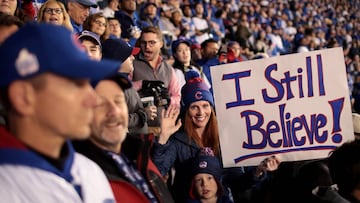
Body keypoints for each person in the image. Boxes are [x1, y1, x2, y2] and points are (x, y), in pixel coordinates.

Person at [0, 23, 119, 202]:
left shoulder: (90, 170)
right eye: (76, 84)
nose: (94, 99)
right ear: (23, 97)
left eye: (89, 83)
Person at [152, 71, 280, 203]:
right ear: (186, 111)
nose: (201, 112)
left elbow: (237, 183)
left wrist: (258, 171)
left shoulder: (225, 138)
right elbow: (156, 173)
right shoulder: (177, 140)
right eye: (194, 107)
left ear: (212, 108)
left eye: (205, 106)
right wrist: (162, 139)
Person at [73, 72, 176, 203]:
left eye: (118, 101)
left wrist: (162, 138)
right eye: (100, 104)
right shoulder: (80, 178)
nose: (114, 111)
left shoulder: (136, 152)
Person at [102, 38, 158, 135]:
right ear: (118, 60)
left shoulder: (122, 81)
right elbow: (114, 121)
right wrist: (144, 115)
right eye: (129, 56)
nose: (133, 58)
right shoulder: (113, 86)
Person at [132, 26, 181, 133]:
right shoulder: (132, 64)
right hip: (140, 129)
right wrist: (141, 84)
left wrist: (169, 100)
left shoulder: (168, 68)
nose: (147, 47)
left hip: (164, 129)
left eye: (152, 43)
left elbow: (177, 96)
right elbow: (124, 90)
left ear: (161, 44)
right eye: (143, 43)